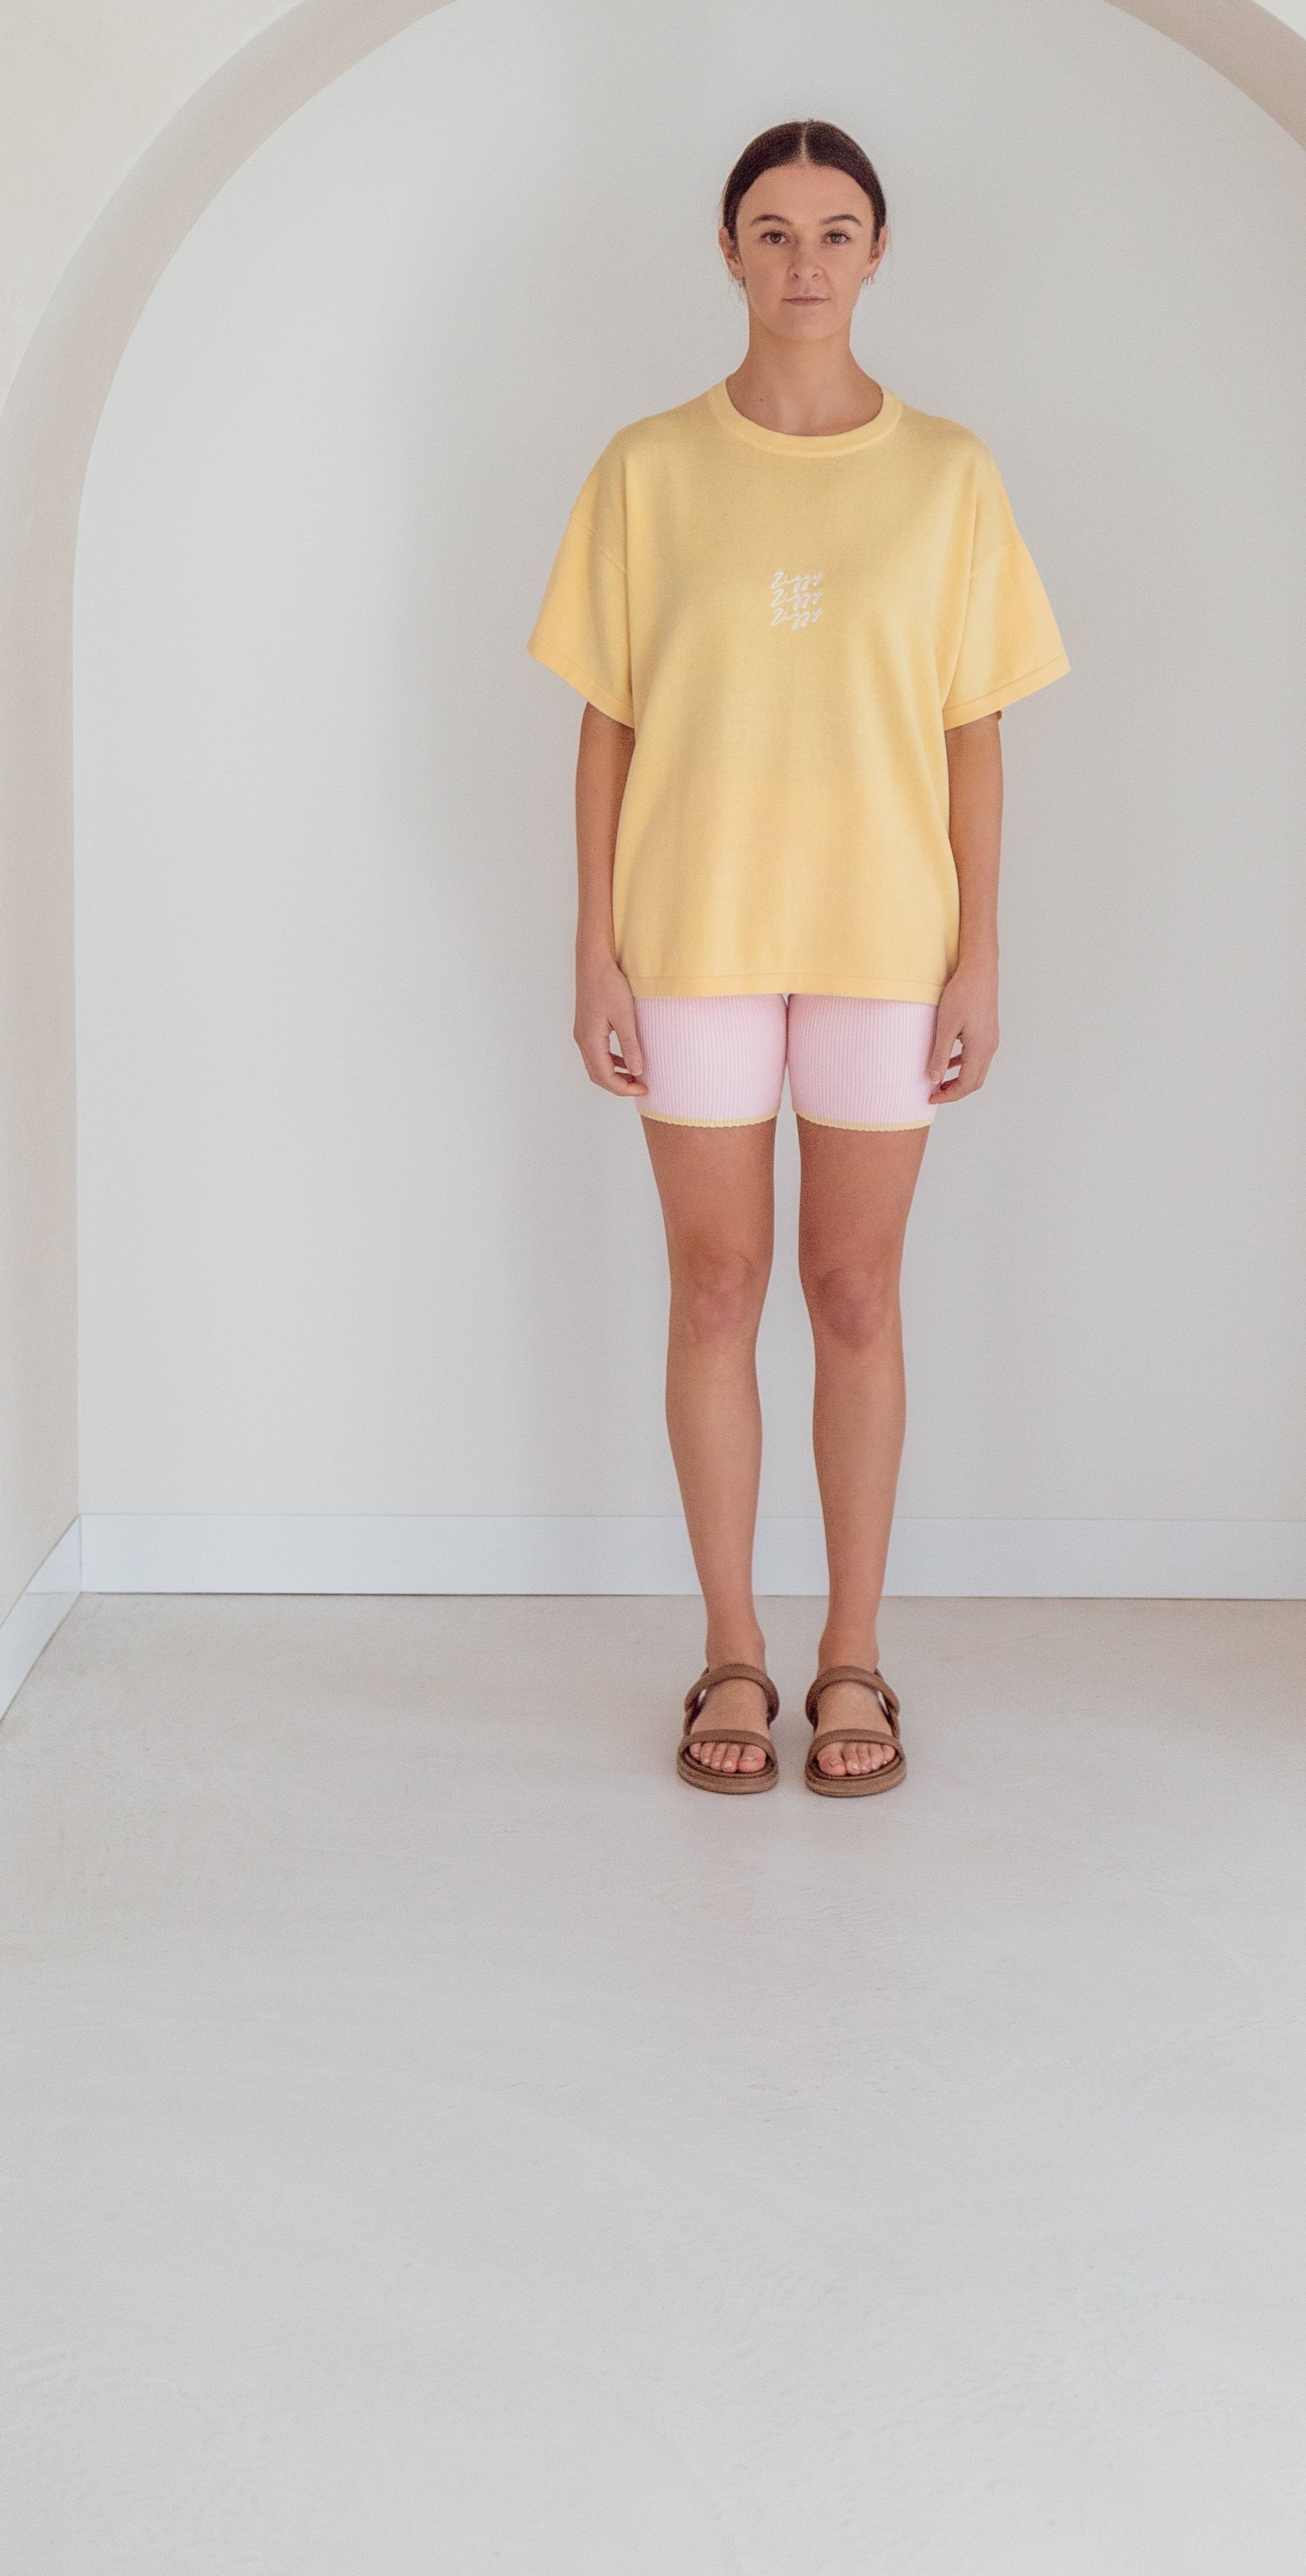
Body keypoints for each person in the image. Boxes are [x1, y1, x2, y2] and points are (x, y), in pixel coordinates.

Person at [526, 119, 1070, 1797]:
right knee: (714, 1284)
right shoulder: (646, 467)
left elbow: (974, 733)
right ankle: (732, 1653)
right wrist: (593, 952)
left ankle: (852, 1653)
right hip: (686, 927)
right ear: (727, 253)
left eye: (836, 231)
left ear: (878, 255)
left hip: (884, 941)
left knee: (851, 1290)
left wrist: (979, 956)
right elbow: (606, 727)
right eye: (772, 231)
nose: (804, 261)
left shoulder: (950, 473)